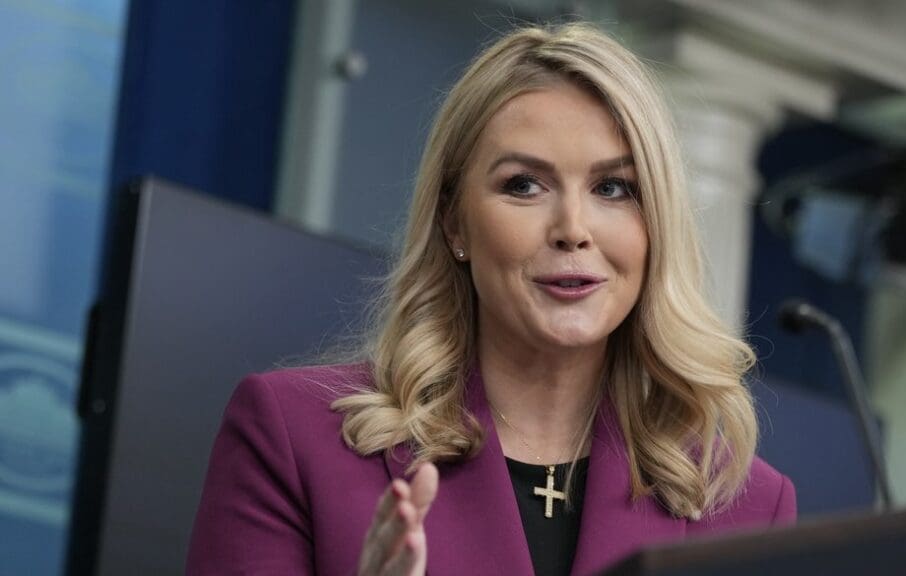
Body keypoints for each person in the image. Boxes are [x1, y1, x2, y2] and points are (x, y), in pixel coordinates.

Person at [186, 22, 796, 576]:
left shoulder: (750, 510)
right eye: (524, 185)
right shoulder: (292, 438)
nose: (573, 228)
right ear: (454, 222)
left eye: (613, 188)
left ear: (655, 225)